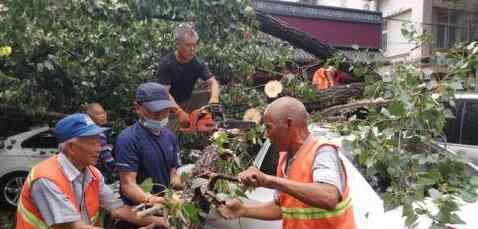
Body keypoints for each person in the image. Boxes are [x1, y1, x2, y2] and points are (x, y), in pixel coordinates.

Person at [218, 97, 357, 229]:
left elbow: (329, 197)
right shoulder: (284, 158)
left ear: (289, 124)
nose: (266, 135)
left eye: (269, 127)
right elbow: (284, 208)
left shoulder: (322, 151)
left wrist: (269, 181)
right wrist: (243, 210)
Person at [16, 113, 167, 229]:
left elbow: (119, 209)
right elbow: (73, 227)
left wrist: (161, 222)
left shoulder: (93, 174)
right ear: (72, 148)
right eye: (93, 141)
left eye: (99, 140)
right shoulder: (46, 179)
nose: (99, 147)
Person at [114, 82, 183, 227]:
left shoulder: (170, 136)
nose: (162, 115)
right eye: (156, 111)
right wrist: (149, 199)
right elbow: (128, 184)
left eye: (166, 110)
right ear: (138, 108)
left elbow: (173, 172)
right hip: (139, 215)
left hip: (165, 210)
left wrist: (180, 185)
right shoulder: (128, 139)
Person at [156, 24, 221, 125]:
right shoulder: (167, 64)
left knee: (208, 98)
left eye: (194, 45)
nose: (192, 49)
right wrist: (179, 112)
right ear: (178, 44)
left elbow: (213, 82)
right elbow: (164, 93)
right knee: (167, 133)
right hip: (166, 105)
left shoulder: (198, 63)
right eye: (188, 45)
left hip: (186, 101)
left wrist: (214, 99)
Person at [86, 103, 116, 181]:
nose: (103, 116)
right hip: (98, 171)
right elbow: (106, 156)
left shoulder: (88, 131)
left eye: (103, 113)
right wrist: (117, 170)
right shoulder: (98, 134)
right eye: (98, 114)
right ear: (90, 117)